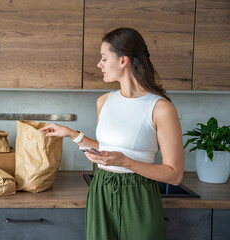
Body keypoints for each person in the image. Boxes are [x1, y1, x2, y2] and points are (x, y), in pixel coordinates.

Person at [39, 27, 184, 240]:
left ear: (123, 60)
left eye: (104, 58)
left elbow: (174, 175)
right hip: (101, 188)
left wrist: (127, 163)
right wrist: (73, 135)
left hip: (139, 194)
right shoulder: (104, 101)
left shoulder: (160, 108)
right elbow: (109, 150)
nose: (99, 64)